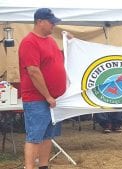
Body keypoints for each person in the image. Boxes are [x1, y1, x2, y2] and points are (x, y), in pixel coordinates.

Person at [19, 8, 71, 169]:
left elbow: (55, 60)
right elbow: (33, 71)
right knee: (35, 136)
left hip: (52, 99)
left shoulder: (49, 41)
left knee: (48, 135)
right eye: (51, 22)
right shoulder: (29, 42)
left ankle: (43, 165)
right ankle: (29, 167)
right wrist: (48, 96)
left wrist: (70, 44)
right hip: (37, 99)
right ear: (39, 21)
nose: (53, 25)